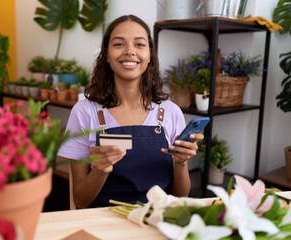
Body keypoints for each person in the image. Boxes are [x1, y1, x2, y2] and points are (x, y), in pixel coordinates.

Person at [57, 15, 203, 208]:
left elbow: (179, 197)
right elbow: (80, 200)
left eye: (139, 45)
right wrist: (100, 170)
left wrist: (181, 163)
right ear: (107, 55)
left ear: (150, 54)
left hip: (155, 222)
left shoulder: (170, 112)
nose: (130, 52)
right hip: (104, 226)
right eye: (118, 44)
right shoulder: (85, 112)